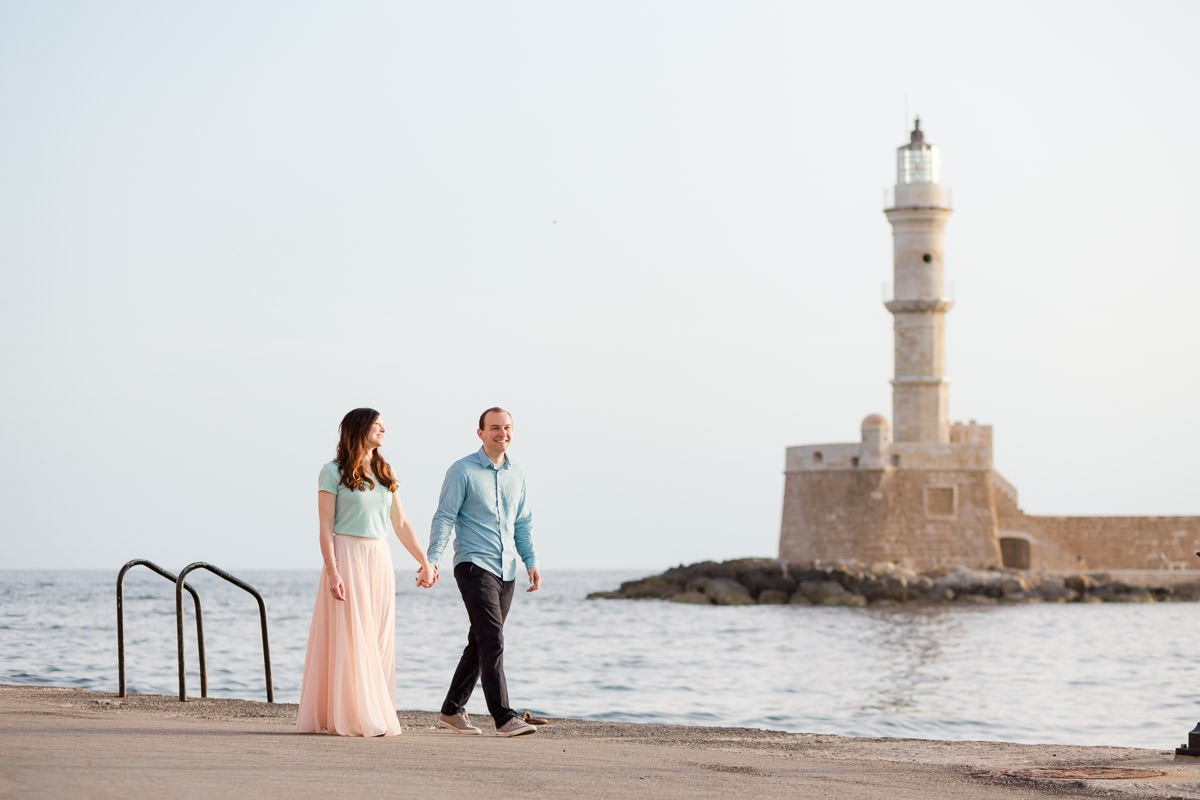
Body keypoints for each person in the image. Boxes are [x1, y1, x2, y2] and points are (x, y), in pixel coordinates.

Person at [297, 408, 438, 737]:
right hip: (347, 556)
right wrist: (332, 571)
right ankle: (354, 716)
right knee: (351, 637)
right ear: (359, 429)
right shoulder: (331, 472)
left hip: (379, 558)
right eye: (377, 425)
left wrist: (425, 561)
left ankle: (373, 711)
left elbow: (401, 524)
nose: (383, 430)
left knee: (377, 638)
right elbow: (325, 526)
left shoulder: (385, 471)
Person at [428, 407, 541, 737]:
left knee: (480, 641)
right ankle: (504, 717)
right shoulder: (461, 471)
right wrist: (433, 559)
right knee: (493, 638)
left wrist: (530, 561)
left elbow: (522, 522)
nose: (501, 433)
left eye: (507, 427)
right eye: (494, 428)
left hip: (507, 569)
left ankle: (451, 710)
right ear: (480, 433)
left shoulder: (516, 473)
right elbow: (445, 517)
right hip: (473, 564)